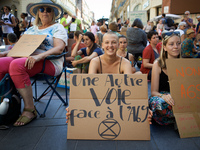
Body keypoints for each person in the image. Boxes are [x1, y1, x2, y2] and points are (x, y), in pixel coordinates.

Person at [0, 0, 67, 126]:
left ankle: (30, 109)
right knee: (1, 63)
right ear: (38, 13)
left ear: (53, 13)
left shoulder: (58, 27)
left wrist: (39, 56)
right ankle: (4, 100)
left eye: (48, 10)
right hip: (25, 58)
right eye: (42, 9)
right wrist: (4, 53)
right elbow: (20, 47)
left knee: (16, 65)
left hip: (49, 61)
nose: (45, 12)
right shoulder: (31, 29)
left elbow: (59, 49)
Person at [66, 32, 153, 124]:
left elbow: (130, 89)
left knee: (138, 75)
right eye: (107, 43)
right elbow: (89, 88)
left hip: (120, 102)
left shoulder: (125, 63)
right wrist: (75, 107)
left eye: (113, 42)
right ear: (102, 45)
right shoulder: (95, 62)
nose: (110, 46)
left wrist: (143, 108)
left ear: (118, 45)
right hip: (99, 102)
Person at [149, 31, 181, 125]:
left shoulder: (185, 63)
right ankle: (177, 117)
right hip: (163, 98)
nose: (175, 46)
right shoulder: (158, 64)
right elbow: (153, 92)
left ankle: (177, 117)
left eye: (178, 43)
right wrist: (164, 97)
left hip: (179, 98)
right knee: (157, 103)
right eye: (171, 44)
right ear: (165, 47)